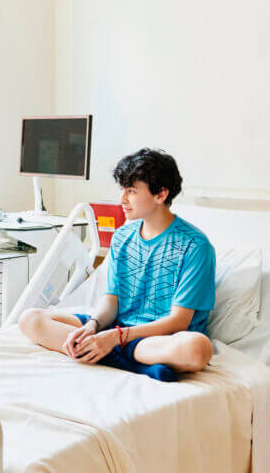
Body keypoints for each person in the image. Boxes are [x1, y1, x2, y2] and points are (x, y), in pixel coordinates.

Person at [19, 148, 215, 382]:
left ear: (161, 194)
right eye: (123, 190)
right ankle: (130, 362)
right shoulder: (123, 236)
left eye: (131, 191)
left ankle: (102, 352)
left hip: (155, 339)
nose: (123, 199)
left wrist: (115, 338)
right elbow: (111, 300)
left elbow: (178, 321)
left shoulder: (195, 246)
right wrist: (93, 326)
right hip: (116, 329)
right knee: (30, 319)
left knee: (197, 348)